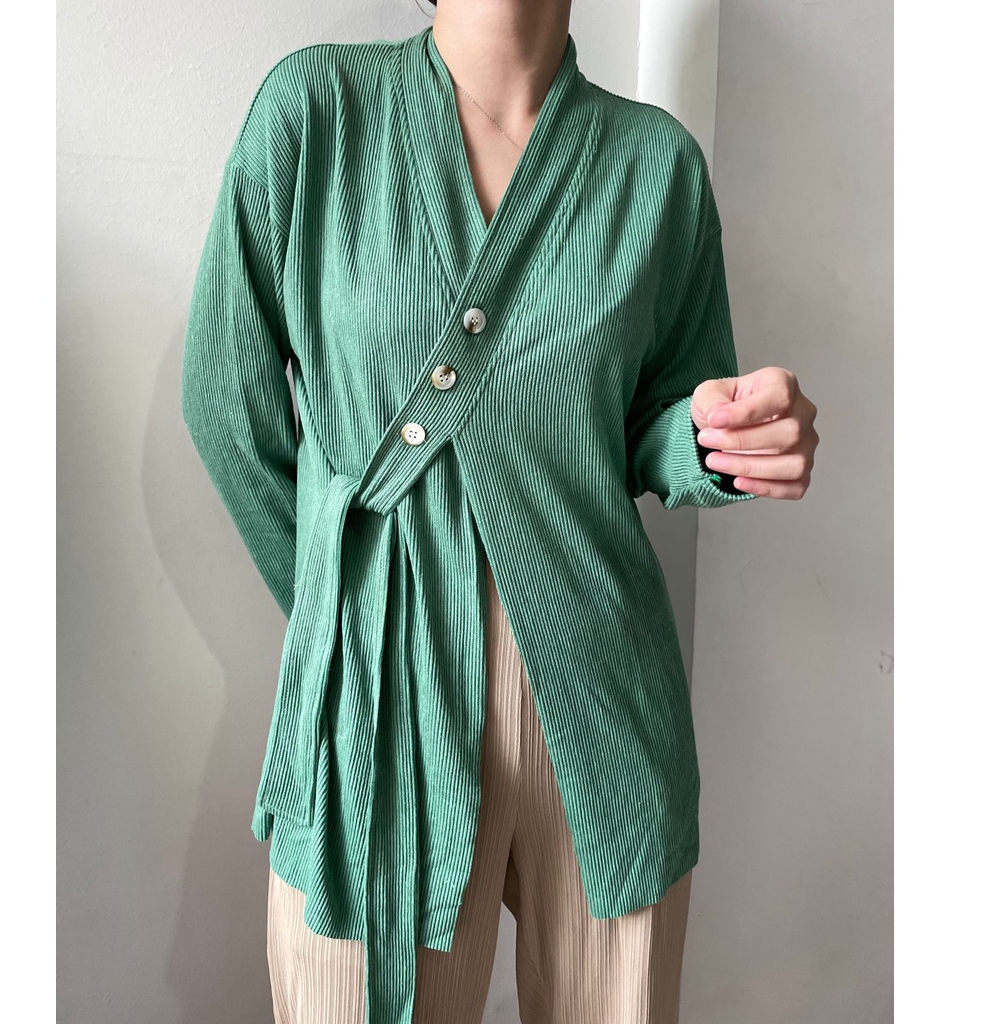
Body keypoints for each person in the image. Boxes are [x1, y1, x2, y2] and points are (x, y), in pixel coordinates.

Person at [181, 1, 820, 1022]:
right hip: (381, 706)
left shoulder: (655, 166)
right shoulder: (316, 112)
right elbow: (228, 402)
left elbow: (652, 424)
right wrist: (338, 618)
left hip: (604, 707)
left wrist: (718, 440)